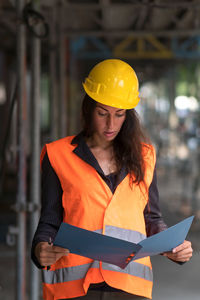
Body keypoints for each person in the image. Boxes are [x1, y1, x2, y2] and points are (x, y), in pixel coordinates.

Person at [31, 59, 193, 300]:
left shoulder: (145, 156)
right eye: (102, 113)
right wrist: (40, 248)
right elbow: (50, 220)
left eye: (119, 115)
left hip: (129, 287)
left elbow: (151, 218)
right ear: (88, 109)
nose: (110, 124)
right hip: (75, 289)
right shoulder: (58, 155)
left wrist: (172, 246)